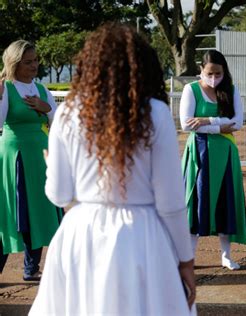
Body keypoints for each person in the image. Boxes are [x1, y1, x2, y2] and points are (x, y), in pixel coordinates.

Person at [29, 23, 196, 315]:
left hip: (80, 235)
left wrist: (50, 167)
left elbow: (58, 194)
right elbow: (171, 202)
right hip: (141, 235)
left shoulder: (68, 112)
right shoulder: (155, 113)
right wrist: (185, 259)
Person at [180, 50, 246, 270]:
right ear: (201, 70)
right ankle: (189, 257)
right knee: (197, 201)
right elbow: (186, 124)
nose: (214, 78)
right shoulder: (191, 90)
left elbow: (237, 122)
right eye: (210, 73)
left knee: (225, 201)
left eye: (218, 73)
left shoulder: (231, 90)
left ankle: (226, 255)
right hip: (199, 153)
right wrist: (220, 126)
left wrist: (206, 120)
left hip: (226, 152)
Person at [0, 40, 62, 281]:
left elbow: (58, 125)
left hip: (41, 156)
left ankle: (31, 268)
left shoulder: (41, 89)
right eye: (28, 62)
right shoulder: (6, 88)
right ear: (15, 63)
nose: (34, 65)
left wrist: (46, 108)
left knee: (39, 210)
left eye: (36, 60)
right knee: (14, 213)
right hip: (15, 157)